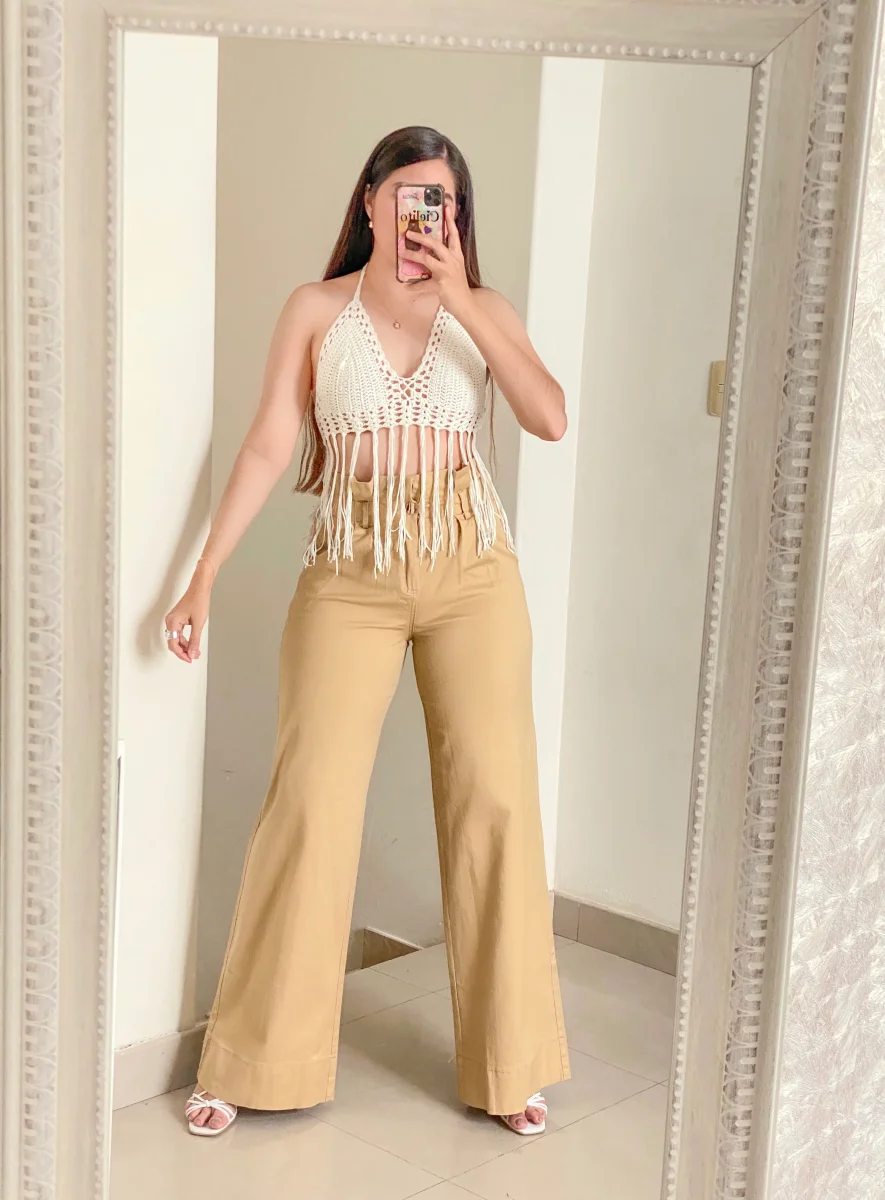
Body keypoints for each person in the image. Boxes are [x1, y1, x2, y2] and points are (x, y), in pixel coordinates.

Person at [165, 125, 570, 1139]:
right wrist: (202, 575)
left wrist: (464, 297)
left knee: (496, 799)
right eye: (411, 195)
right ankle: (255, 1058)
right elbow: (270, 442)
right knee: (309, 799)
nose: (428, 215)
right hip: (351, 567)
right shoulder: (316, 309)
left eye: (446, 201)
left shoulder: (484, 310)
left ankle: (512, 1063)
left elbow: (549, 416)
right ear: (371, 201)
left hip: (471, 568)